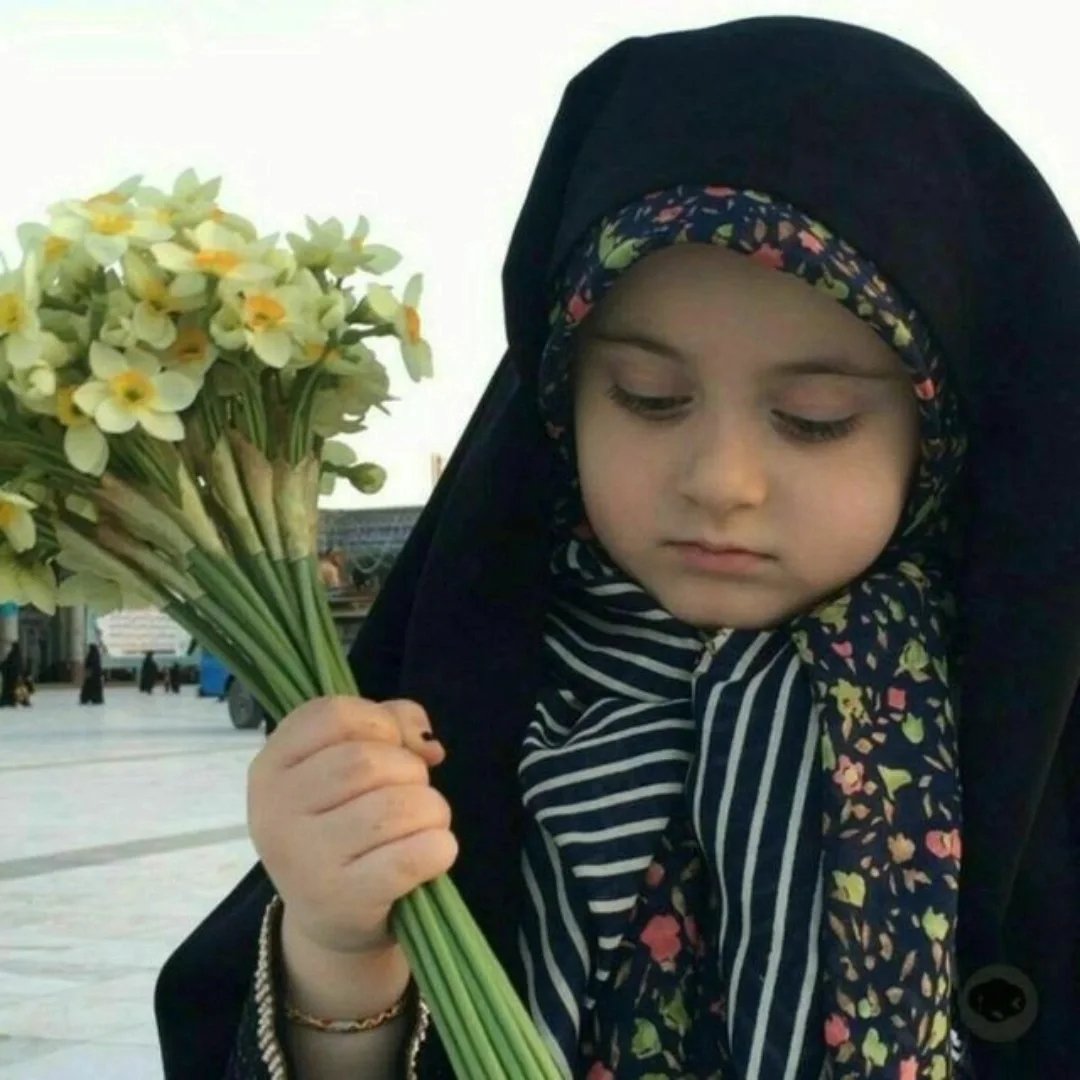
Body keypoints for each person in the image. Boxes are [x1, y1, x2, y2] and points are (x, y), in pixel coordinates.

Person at [154, 17, 1080, 1080]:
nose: (721, 480)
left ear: (937, 430)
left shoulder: (1015, 719)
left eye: (815, 418)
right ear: (560, 395)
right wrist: (335, 945)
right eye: (648, 397)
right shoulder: (457, 712)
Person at [0, 642, 31, 708]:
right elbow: (21, 667)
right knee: (17, 689)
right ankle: (22, 701)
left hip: (12, 677)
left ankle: (14, 701)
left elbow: (9, 665)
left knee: (14, 690)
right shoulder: (17, 656)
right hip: (14, 677)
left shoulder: (13, 655)